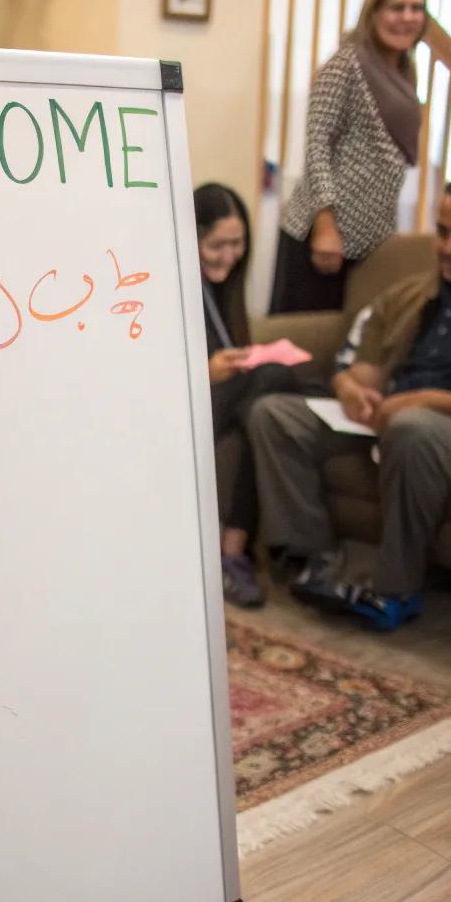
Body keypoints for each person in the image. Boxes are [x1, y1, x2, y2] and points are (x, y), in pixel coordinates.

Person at [248, 171, 451, 630]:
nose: (449, 247)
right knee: (274, 414)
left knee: (413, 428)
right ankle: (316, 563)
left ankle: (395, 590)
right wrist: (352, 391)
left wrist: (422, 401)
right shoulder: (410, 294)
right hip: (389, 420)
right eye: (442, 232)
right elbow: (362, 370)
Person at [271, 0, 427, 313]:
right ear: (373, 12)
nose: (407, 17)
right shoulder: (346, 65)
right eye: (396, 7)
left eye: (417, 8)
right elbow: (317, 146)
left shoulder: (405, 70)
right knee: (304, 348)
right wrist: (327, 227)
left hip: (369, 237)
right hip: (324, 237)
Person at [196, 183, 304, 609]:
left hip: (229, 403)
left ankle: (232, 553)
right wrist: (206, 372)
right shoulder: (164, 287)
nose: (229, 255)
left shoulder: (227, 288)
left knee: (260, 414)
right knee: (278, 376)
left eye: (237, 243)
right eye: (216, 245)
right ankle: (237, 553)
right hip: (188, 406)